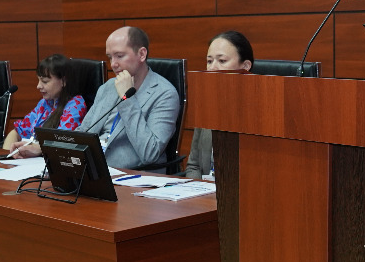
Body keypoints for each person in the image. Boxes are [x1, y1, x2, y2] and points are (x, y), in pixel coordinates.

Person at [77, 26, 180, 171]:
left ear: (142, 54)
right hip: (94, 171)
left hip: (134, 175)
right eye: (110, 57)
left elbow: (150, 153)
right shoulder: (108, 87)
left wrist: (127, 99)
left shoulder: (164, 94)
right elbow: (84, 131)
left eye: (119, 56)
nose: (113, 64)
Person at [184, 30, 254, 180]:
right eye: (209, 61)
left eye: (222, 61)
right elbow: (193, 166)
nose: (212, 68)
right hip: (204, 190)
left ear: (246, 66)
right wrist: (199, 188)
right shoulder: (206, 105)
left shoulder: (257, 111)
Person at [1, 54, 88, 158]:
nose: (38, 86)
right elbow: (17, 131)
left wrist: (37, 148)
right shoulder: (45, 103)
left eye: (45, 81)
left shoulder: (76, 105)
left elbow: (62, 142)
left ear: (63, 81)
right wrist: (6, 156)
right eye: (38, 80)